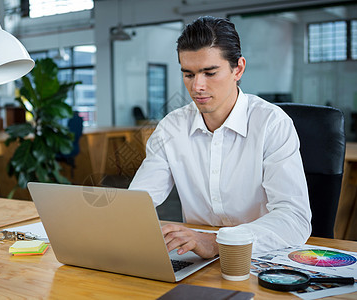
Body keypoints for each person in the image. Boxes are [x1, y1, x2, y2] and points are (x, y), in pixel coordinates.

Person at [129, 16, 311, 259]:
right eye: (189, 74)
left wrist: (217, 243)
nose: (197, 86)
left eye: (209, 72)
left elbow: (294, 219)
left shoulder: (271, 124)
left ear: (238, 69)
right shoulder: (171, 127)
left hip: (261, 258)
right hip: (195, 257)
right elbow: (137, 203)